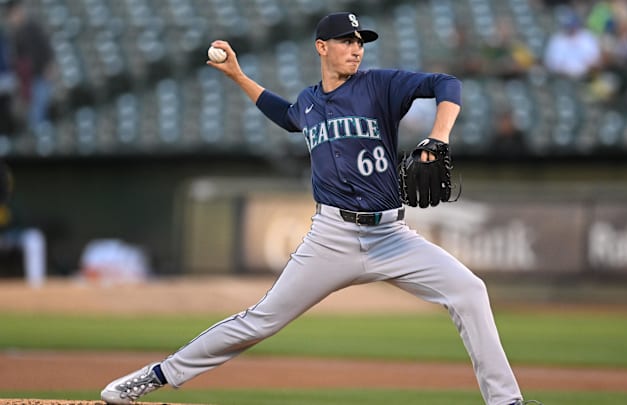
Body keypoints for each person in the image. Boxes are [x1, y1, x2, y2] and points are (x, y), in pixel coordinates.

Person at [100, 12, 536, 405]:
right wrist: (237, 75)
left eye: (360, 41)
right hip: (332, 237)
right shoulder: (309, 102)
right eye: (347, 40)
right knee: (260, 321)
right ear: (321, 47)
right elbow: (287, 114)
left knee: (470, 291)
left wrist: (438, 137)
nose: (356, 48)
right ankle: (155, 376)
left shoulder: (379, 85)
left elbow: (446, 84)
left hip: (392, 236)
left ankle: (505, 402)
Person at [4, 0, 54, 133]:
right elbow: (16, 60)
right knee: (34, 113)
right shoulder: (14, 35)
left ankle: (42, 137)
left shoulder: (32, 27)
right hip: (27, 80)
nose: (14, 18)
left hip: (39, 75)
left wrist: (49, 65)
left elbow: (45, 46)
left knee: (39, 111)